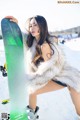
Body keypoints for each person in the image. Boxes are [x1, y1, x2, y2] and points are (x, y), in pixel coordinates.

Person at [5, 15, 80, 120]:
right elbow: (24, 37)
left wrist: (29, 79)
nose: (32, 28)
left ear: (42, 26)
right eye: (30, 25)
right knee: (32, 91)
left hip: (66, 77)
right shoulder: (33, 41)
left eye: (35, 25)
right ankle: (31, 115)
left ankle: (31, 114)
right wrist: (15, 25)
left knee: (79, 111)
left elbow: (50, 71)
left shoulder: (44, 45)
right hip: (55, 75)